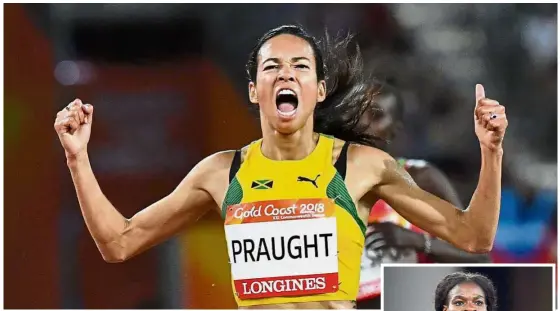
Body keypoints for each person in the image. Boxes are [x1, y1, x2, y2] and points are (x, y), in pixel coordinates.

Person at [53, 25, 508, 309]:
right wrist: (77, 159)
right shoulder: (220, 173)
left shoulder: (362, 166)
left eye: (299, 67)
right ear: (254, 91)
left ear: (319, 89)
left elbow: (474, 236)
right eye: (272, 67)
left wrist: (492, 152)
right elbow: (118, 243)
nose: (286, 74)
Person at [356, 85, 492, 309]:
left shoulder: (421, 178)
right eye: (356, 113)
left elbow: (479, 256)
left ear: (395, 130)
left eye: (376, 115)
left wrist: (417, 241)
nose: (363, 123)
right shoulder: (327, 179)